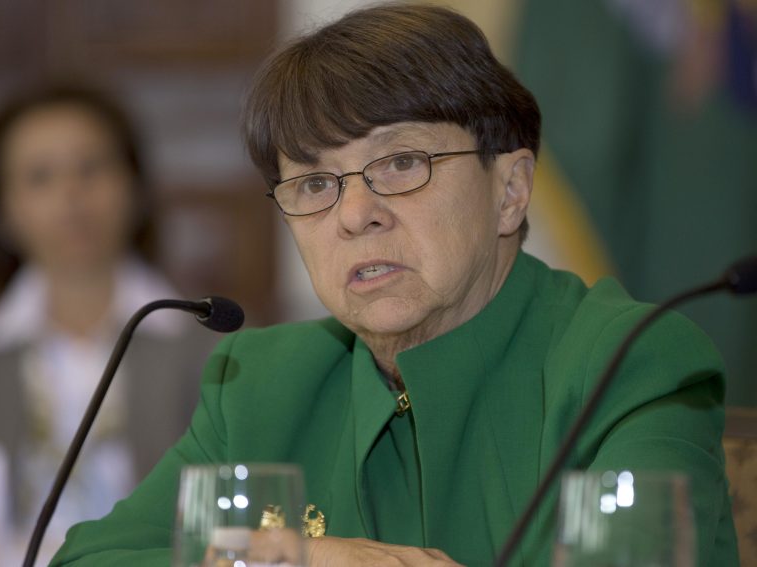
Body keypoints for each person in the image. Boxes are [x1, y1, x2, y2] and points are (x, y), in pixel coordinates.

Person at [51, 5, 738, 566]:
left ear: (510, 189)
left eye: (402, 162)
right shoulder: (260, 382)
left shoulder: (631, 364)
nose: (354, 214)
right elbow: (88, 559)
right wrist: (311, 557)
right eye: (315, 183)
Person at [0, 83, 216, 563]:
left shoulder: (210, 344)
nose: (70, 196)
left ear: (135, 187)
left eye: (91, 168)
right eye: (39, 176)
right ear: (3, 210)